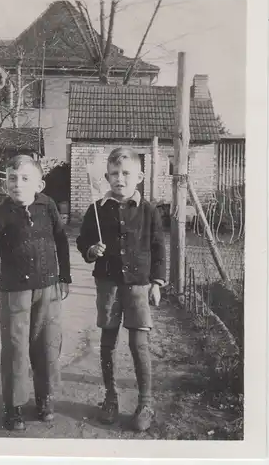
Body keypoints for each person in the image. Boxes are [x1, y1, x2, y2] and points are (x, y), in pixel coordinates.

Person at [0, 155, 71, 431]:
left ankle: (45, 400)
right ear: (5, 183)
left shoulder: (48, 206)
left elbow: (61, 240)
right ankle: (14, 406)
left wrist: (64, 277)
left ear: (39, 184)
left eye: (25, 178)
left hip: (48, 289)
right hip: (14, 292)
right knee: (15, 348)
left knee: (47, 345)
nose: (17, 184)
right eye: (12, 178)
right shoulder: (0, 213)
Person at [76, 147, 166, 432]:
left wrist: (157, 282)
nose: (120, 179)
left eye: (126, 173)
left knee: (139, 344)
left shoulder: (149, 211)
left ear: (139, 176)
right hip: (108, 285)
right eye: (114, 174)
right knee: (108, 342)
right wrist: (91, 249)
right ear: (106, 176)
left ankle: (145, 402)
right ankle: (111, 397)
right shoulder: (96, 209)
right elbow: (83, 241)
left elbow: (158, 248)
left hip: (139, 285)